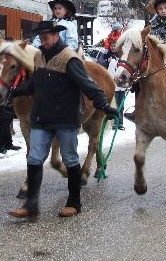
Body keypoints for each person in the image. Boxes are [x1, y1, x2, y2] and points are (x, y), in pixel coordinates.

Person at [8, 20, 118, 221]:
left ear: (56, 36)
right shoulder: (40, 56)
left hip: (65, 119)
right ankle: (31, 205)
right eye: (41, 38)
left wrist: (104, 104)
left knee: (70, 159)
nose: (44, 41)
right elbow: (34, 84)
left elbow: (88, 84)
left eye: (47, 37)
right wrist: (15, 91)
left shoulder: (69, 58)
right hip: (42, 117)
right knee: (34, 158)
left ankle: (74, 203)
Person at [0, 38, 22, 154]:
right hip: (2, 92)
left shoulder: (10, 59)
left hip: (11, 91)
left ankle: (8, 143)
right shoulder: (0, 59)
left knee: (8, 119)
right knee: (2, 120)